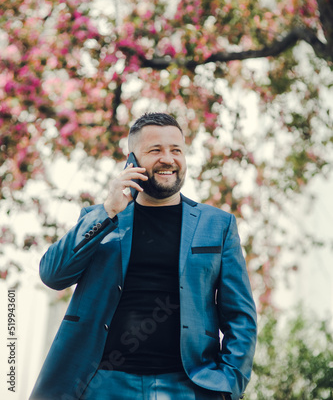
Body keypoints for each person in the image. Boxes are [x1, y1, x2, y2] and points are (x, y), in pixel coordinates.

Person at [30, 112, 257, 400]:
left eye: (176, 150)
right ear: (132, 161)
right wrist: (108, 209)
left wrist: (228, 385)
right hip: (103, 384)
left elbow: (240, 316)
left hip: (187, 386)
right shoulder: (99, 219)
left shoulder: (218, 224)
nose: (168, 158)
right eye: (155, 150)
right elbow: (53, 275)